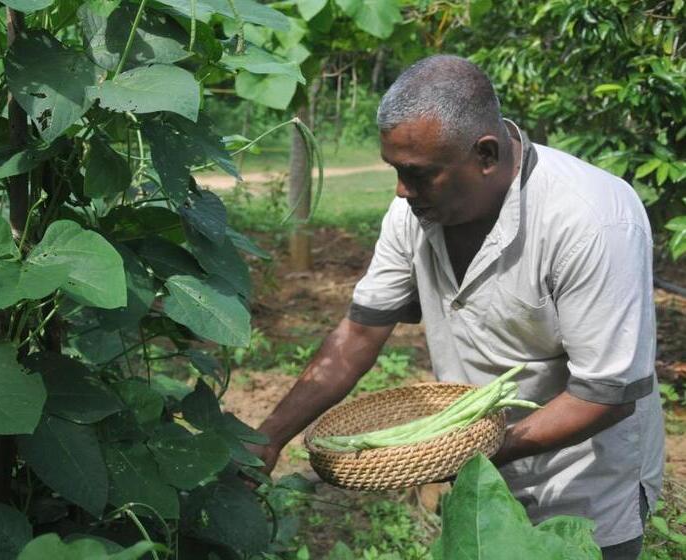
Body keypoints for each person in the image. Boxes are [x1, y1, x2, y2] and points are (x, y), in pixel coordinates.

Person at [250, 55, 664, 559]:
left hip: (582, 488)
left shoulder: (591, 220)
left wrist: (466, 452)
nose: (402, 190)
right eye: (396, 171)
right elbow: (360, 333)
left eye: (417, 174)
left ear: (485, 155)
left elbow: (607, 395)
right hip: (477, 478)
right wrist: (270, 437)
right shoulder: (415, 210)